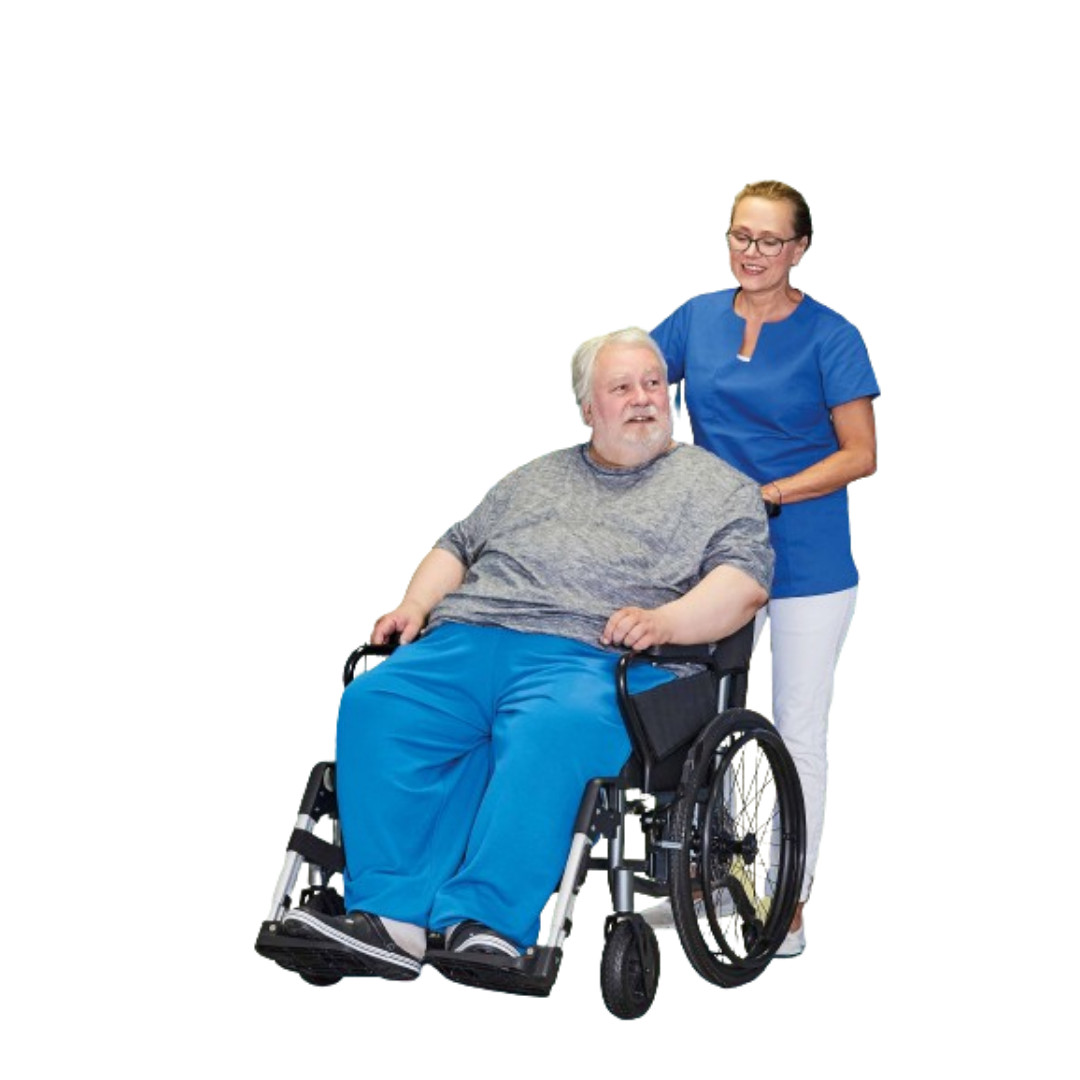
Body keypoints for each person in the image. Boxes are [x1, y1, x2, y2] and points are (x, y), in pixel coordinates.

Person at [281, 327, 774, 979]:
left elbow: (744, 584)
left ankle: (486, 921)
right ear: (589, 408)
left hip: (593, 655)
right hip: (467, 639)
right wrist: (414, 606)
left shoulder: (718, 488)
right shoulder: (533, 478)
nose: (642, 398)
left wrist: (665, 621)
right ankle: (390, 918)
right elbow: (458, 546)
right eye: (621, 387)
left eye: (654, 383)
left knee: (552, 727)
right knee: (376, 702)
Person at [647, 180, 879, 957]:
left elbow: (861, 454)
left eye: (770, 240)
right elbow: (635, 378)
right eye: (740, 236)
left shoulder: (832, 336)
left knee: (796, 731)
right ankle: (714, 875)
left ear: (800, 248)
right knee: (699, 718)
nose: (752, 252)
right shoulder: (697, 318)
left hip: (810, 559)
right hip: (718, 553)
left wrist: (769, 493)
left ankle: (787, 902)